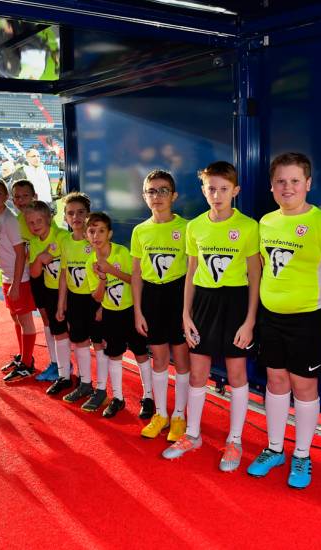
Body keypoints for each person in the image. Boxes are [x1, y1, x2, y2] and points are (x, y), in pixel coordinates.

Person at [247, 153, 321, 488]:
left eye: (294, 181)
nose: (287, 187)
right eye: (280, 181)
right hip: (271, 318)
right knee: (275, 381)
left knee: (304, 386)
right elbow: (262, 269)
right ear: (271, 186)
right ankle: (274, 448)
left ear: (308, 183)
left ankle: (303, 455)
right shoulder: (264, 223)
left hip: (308, 320)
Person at [161, 161, 260, 472]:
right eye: (211, 188)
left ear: (235, 191)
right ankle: (192, 434)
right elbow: (191, 273)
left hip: (236, 303)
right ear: (203, 190)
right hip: (203, 302)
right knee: (198, 372)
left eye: (223, 189)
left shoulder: (248, 226)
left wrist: (250, 320)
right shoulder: (195, 227)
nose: (217, 195)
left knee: (237, 374)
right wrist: (186, 315)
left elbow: (256, 275)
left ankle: (235, 439)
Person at [130, 170, 191, 440]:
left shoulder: (187, 228)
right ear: (144, 196)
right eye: (151, 191)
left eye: (163, 190)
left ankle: (179, 415)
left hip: (178, 295)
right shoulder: (140, 231)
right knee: (159, 359)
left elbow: (193, 273)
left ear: (174, 196)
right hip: (152, 298)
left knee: (181, 360)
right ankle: (161, 414)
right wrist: (138, 311)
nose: (157, 196)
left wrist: (187, 312)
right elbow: (136, 275)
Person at [82, 212, 150, 417]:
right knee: (114, 354)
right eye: (92, 231)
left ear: (109, 233)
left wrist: (111, 269)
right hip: (111, 313)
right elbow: (96, 297)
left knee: (140, 353)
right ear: (87, 236)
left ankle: (148, 397)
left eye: (101, 230)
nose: (96, 236)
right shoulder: (89, 262)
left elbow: (135, 280)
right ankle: (118, 398)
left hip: (131, 310)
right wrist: (102, 277)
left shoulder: (122, 253)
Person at [0, 178, 37, 381]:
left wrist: (15, 283)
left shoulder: (9, 220)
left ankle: (28, 364)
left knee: (25, 321)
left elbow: (21, 253)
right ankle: (24, 356)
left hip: (19, 279)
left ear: (6, 197)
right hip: (8, 277)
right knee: (16, 318)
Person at [19, 201, 74, 392]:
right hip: (51, 289)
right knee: (57, 329)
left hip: (72, 290)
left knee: (76, 332)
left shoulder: (62, 236)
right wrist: (41, 257)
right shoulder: (34, 243)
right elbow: (34, 273)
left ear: (49, 218)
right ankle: (62, 371)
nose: (35, 225)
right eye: (31, 223)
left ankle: (82, 377)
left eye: (39, 220)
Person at [55, 193, 104, 405]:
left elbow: (105, 272)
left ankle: (102, 389)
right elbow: (64, 274)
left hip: (95, 300)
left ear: (88, 215)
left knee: (99, 343)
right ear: (65, 217)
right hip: (75, 300)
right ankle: (85, 384)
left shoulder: (94, 242)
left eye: (81, 212)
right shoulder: (65, 242)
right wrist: (61, 303)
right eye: (70, 213)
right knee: (79, 341)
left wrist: (103, 305)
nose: (76, 217)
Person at [9, 180, 59, 380]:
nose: (21, 201)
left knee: (57, 320)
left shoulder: (43, 219)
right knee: (46, 319)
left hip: (52, 274)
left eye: (25, 196)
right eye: (17, 197)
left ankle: (62, 364)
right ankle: (55, 362)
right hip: (36, 274)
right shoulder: (19, 220)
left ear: (35, 196)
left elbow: (53, 245)